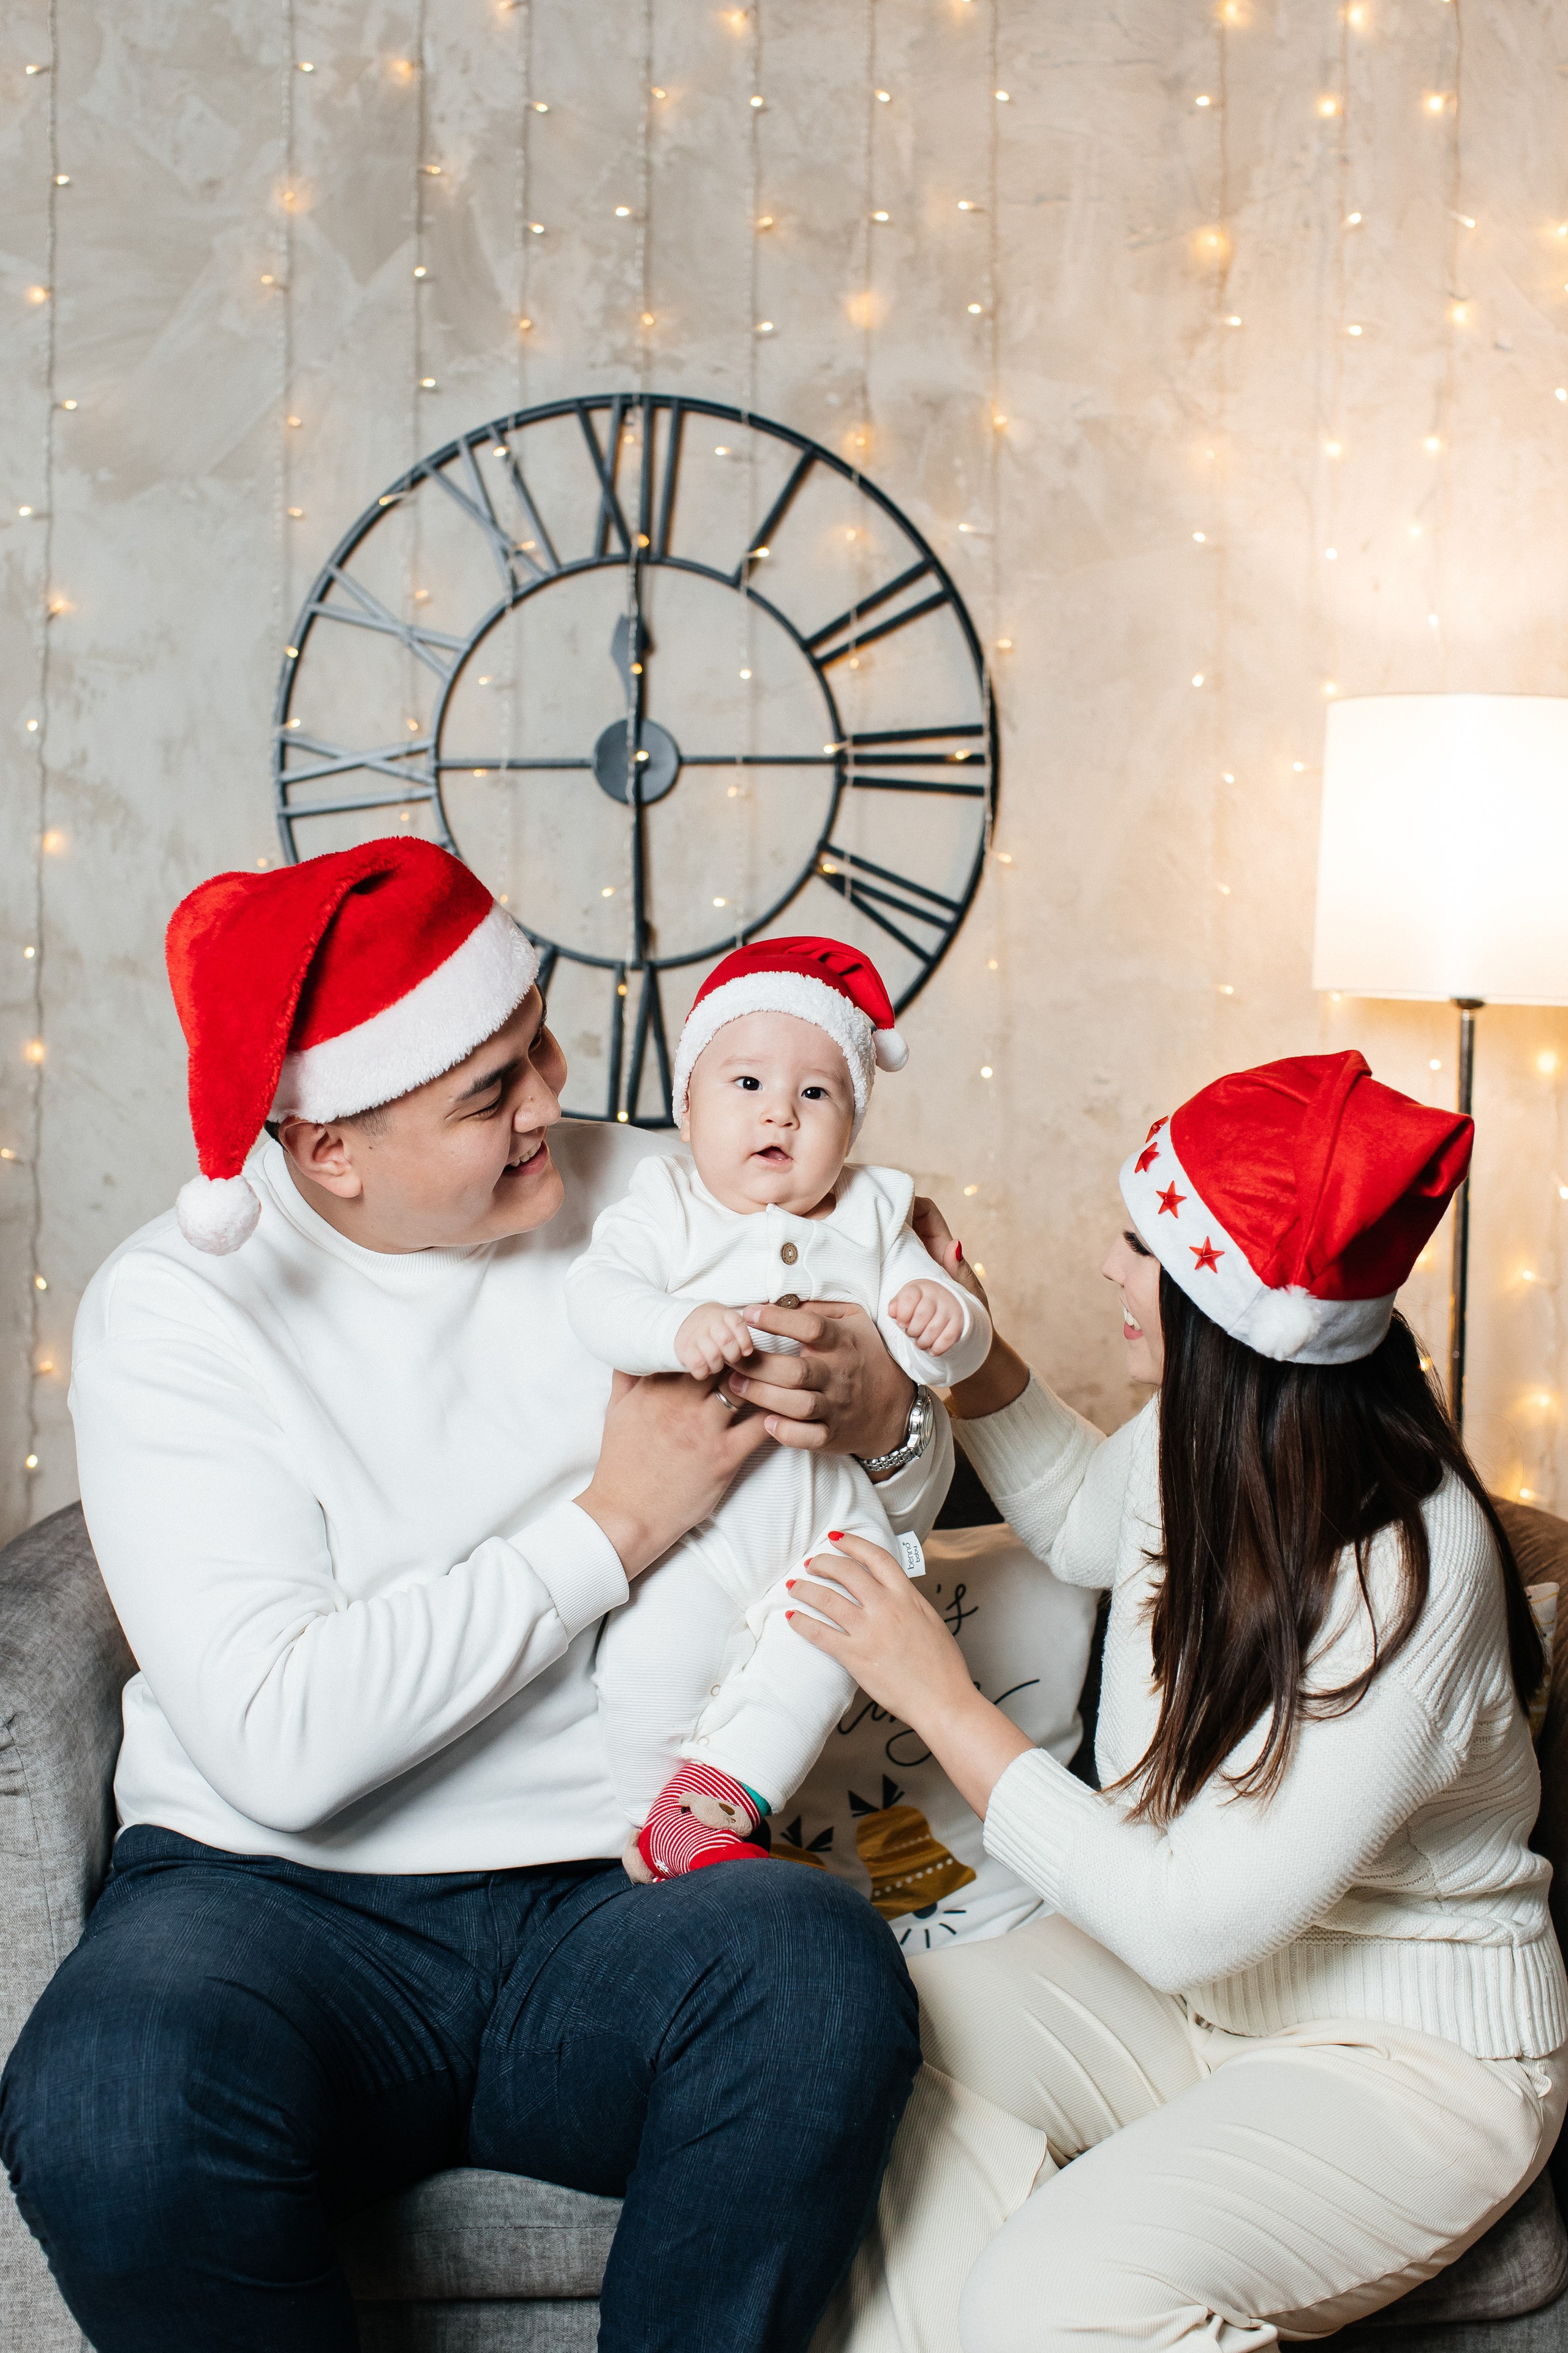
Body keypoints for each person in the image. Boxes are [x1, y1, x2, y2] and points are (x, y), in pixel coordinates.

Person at [0, 839, 943, 2353]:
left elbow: (882, 1508)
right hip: (269, 1905)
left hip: (605, 1890)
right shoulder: (176, 1309)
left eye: (537, 1048)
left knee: (813, 1979)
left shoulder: (668, 1196)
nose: (545, 1107)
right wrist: (616, 1522)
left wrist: (886, 1405)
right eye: (484, 1094)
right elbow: (280, 1741)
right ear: (330, 1151)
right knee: (106, 2099)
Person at [793, 1051, 1568, 2353]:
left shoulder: (1401, 1562)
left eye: (1137, 1242)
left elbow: (1185, 1917)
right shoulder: (1209, 1432)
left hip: (1404, 2062)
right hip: (1208, 2012)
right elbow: (1081, 1523)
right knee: (852, 2034)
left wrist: (940, 1699)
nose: (1106, 1266)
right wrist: (975, 1341)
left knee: (1051, 2303)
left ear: (1219, 1303)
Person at [568, 935, 990, 1883]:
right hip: (703, 1521)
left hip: (836, 1519)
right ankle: (644, 1824)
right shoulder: (665, 1201)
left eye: (816, 1094)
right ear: (687, 1108)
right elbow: (596, 1296)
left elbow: (958, 1344)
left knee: (829, 1654)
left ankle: (722, 1798)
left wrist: (939, 1322)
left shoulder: (877, 1211)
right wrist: (676, 1329)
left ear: (853, 1120)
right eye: (747, 1083)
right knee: (648, 1669)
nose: (780, 1115)